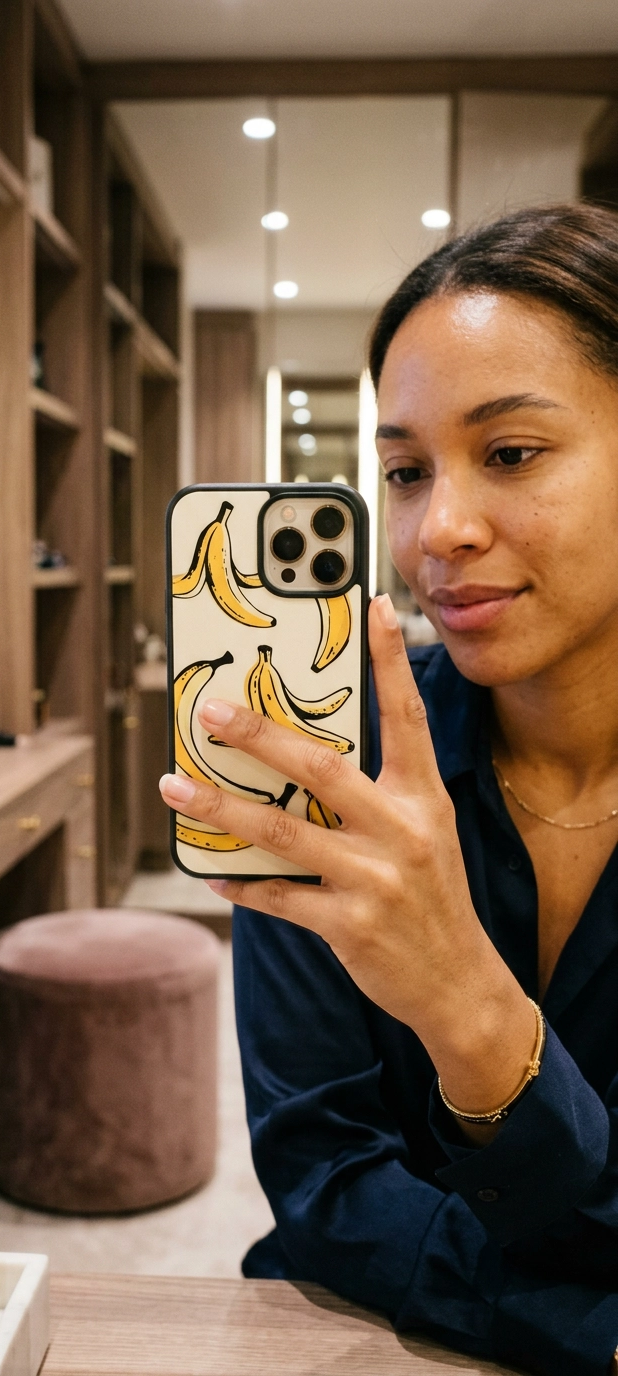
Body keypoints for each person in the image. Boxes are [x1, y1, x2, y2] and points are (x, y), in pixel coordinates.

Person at [159, 203, 618, 1376]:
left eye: (510, 453)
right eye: (406, 471)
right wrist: (585, 1326)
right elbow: (324, 1174)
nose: (437, 530)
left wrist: (468, 1004)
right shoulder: (328, 766)